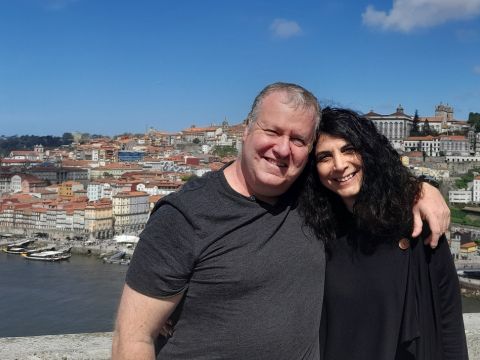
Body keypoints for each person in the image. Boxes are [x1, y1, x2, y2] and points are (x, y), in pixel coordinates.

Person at [111, 83, 450, 359]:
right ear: (246, 129)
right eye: (272, 131)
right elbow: (133, 339)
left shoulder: (311, 200)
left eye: (299, 140)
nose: (283, 149)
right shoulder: (184, 215)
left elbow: (365, 177)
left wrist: (420, 188)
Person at [299, 107, 468, 359]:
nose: (339, 165)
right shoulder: (315, 230)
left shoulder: (415, 225)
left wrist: (422, 189)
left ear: (369, 153)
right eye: (324, 157)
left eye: (348, 150)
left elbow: (448, 317)